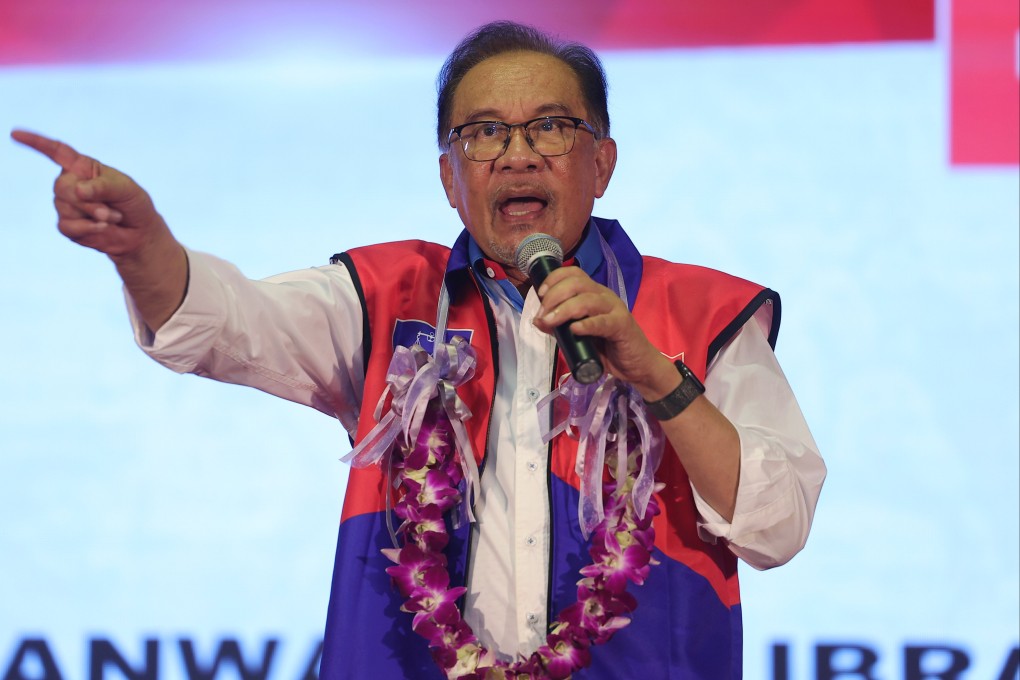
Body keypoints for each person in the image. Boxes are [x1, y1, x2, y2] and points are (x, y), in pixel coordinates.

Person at [13, 20, 825, 680]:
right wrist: (143, 247)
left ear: (601, 162)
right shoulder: (385, 298)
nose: (516, 153)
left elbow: (778, 525)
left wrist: (654, 374)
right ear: (449, 178)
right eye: (482, 134)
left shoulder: (703, 311)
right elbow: (226, 322)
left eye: (550, 126)